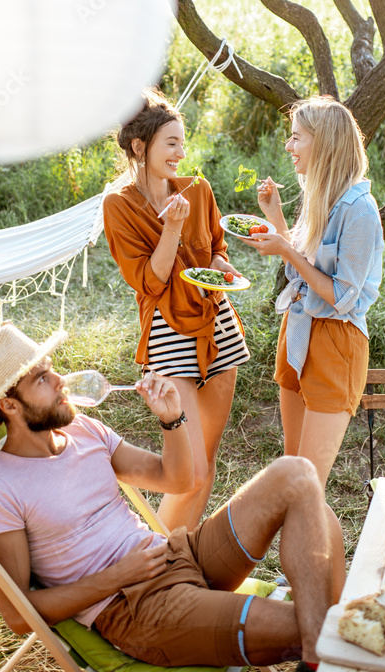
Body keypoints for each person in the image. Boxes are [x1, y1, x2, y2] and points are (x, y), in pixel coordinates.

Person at [0, 322, 345, 671]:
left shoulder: (85, 431)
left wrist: (172, 418)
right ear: (9, 405)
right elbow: (17, 615)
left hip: (177, 554)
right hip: (136, 608)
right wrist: (117, 577)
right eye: (43, 378)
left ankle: (319, 651)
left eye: (52, 368)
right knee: (321, 626)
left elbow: (177, 480)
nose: (61, 380)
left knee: (296, 473)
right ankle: (325, 646)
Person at [103, 89, 249, 531]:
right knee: (190, 472)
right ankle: (159, 560)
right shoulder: (119, 205)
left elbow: (217, 251)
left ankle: (177, 564)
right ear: (139, 147)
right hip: (169, 335)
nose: (181, 153)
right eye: (172, 143)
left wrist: (223, 267)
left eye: (183, 143)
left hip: (218, 327)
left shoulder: (198, 188)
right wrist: (172, 228)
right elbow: (149, 282)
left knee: (208, 462)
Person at [246, 96, 384, 488]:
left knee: (306, 485)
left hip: (336, 341)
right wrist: (276, 218)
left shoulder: (361, 210)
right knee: (292, 470)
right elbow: (302, 270)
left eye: (296, 138)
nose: (289, 147)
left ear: (323, 143)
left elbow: (341, 296)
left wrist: (287, 248)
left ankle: (316, 550)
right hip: (299, 328)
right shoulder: (319, 193)